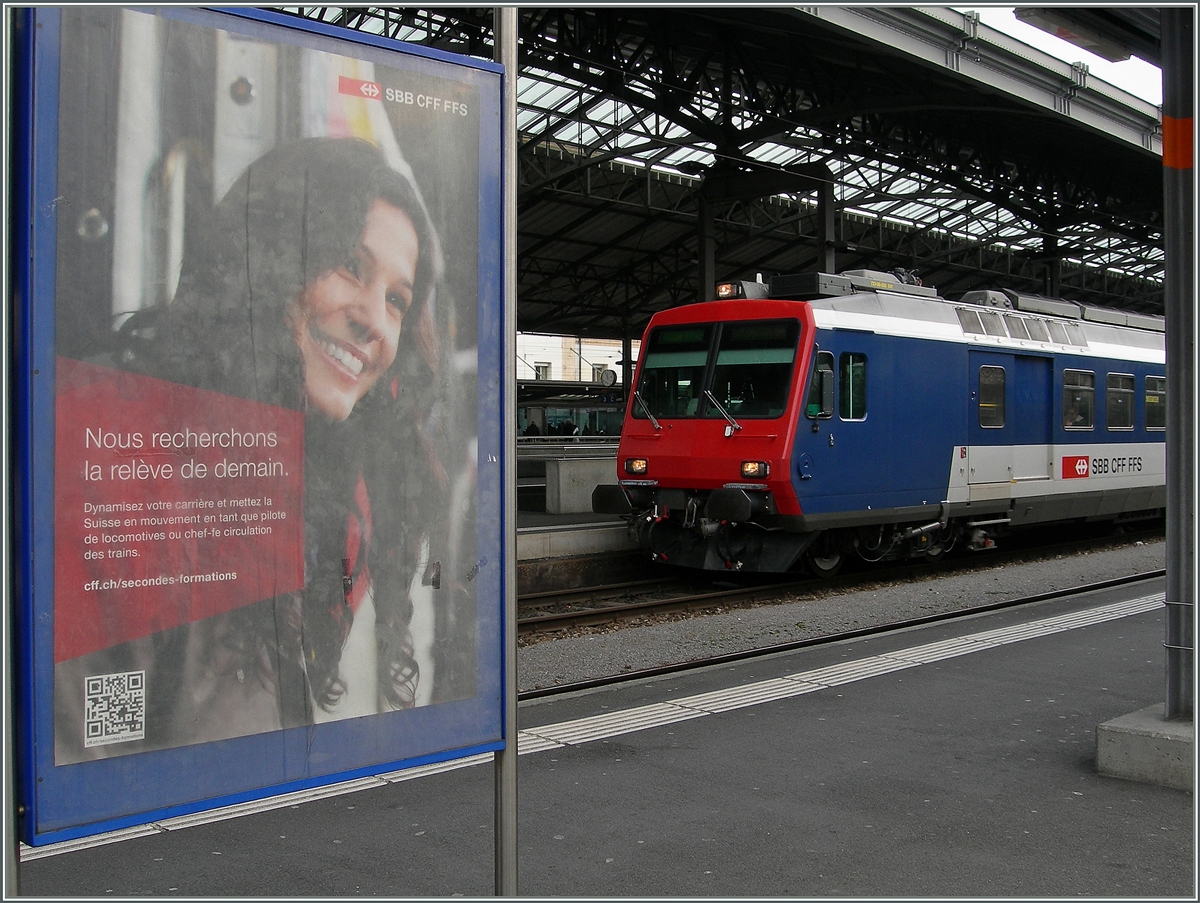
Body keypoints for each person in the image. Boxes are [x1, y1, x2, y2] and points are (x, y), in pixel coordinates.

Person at [56, 137, 449, 759]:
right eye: (349, 264)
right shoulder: (115, 455)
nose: (375, 320)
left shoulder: (323, 495)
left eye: (397, 300)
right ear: (267, 258)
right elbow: (85, 763)